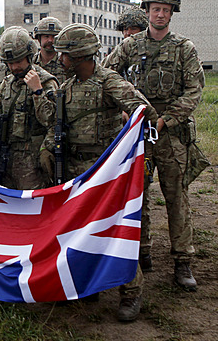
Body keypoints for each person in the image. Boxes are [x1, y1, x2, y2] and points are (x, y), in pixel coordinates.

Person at [40, 23, 158, 322]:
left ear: (79, 56)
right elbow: (56, 123)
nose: (60, 60)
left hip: (106, 169)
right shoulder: (66, 87)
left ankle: (131, 292)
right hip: (75, 169)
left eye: (65, 55)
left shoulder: (109, 82)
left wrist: (127, 146)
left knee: (115, 230)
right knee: (78, 229)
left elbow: (143, 110)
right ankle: (85, 283)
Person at [104, 0, 205, 290]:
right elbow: (106, 76)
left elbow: (195, 90)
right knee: (137, 197)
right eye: (155, 9)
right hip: (137, 134)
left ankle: (182, 261)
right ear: (146, 11)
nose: (160, 14)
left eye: (166, 10)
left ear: (172, 13)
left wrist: (166, 120)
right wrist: (124, 109)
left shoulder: (183, 48)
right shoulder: (130, 46)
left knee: (177, 197)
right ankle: (141, 251)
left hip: (171, 135)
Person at [0, 26, 58, 189]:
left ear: (29, 56)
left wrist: (37, 91)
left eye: (18, 61)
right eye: (10, 63)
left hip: (32, 160)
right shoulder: (6, 83)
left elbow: (51, 120)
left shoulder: (46, 81)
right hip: (7, 156)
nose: (14, 67)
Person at [32, 17, 66, 84]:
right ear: (39, 39)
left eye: (54, 37)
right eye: (46, 36)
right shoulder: (31, 63)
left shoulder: (65, 63)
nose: (50, 40)